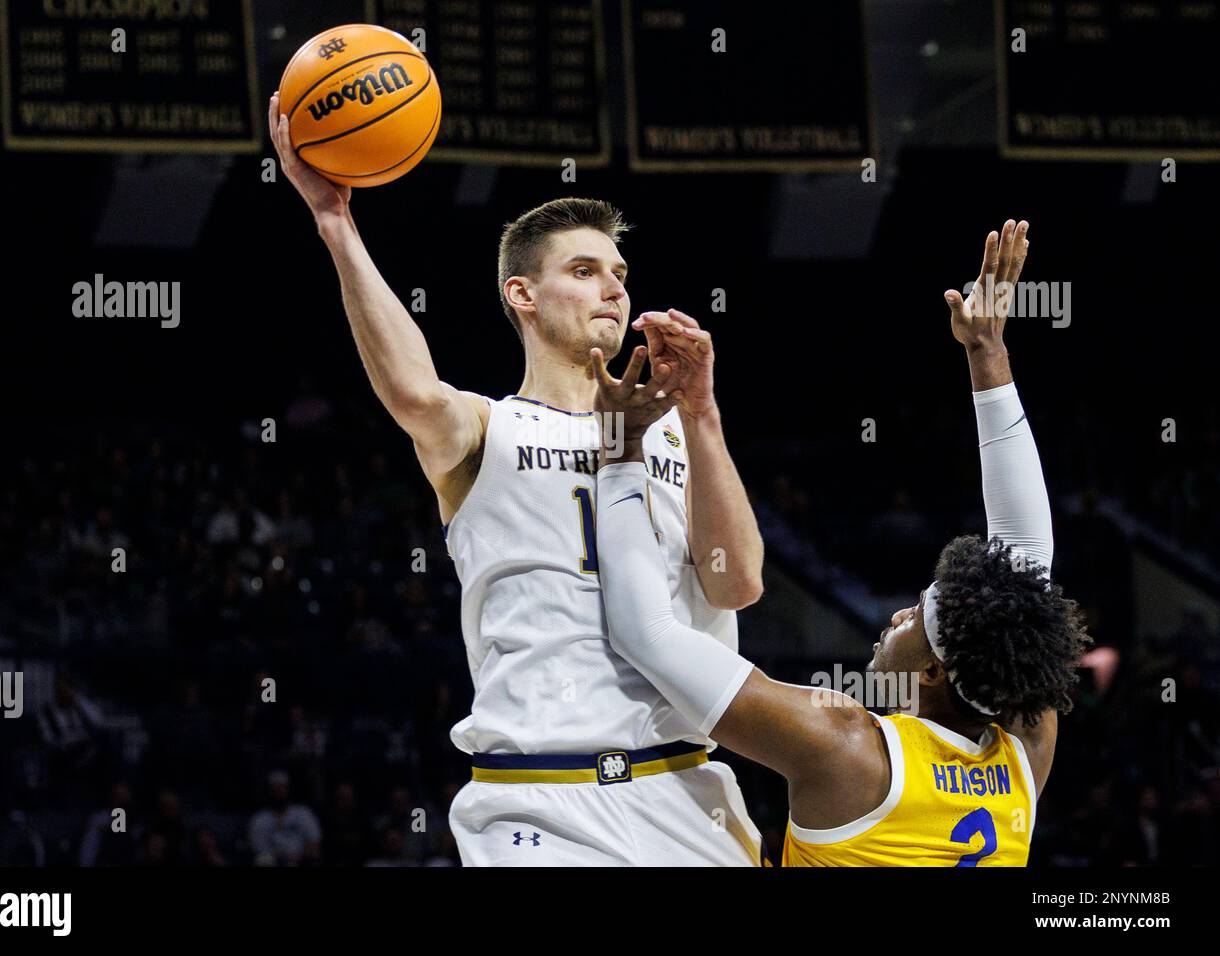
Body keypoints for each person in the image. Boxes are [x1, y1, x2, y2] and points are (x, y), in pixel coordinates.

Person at [269, 93, 765, 865]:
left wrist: (702, 413)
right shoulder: (487, 429)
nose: (614, 288)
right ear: (522, 295)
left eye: (620, 273)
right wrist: (336, 224)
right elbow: (411, 391)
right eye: (584, 270)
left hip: (684, 789)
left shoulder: (669, 432)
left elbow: (735, 587)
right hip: (539, 800)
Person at [592, 220, 1091, 865]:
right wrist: (986, 354)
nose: (898, 616)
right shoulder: (1024, 755)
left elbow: (647, 635)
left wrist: (623, 451)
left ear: (934, 672)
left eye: (916, 615)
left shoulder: (848, 748)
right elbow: (1027, 572)